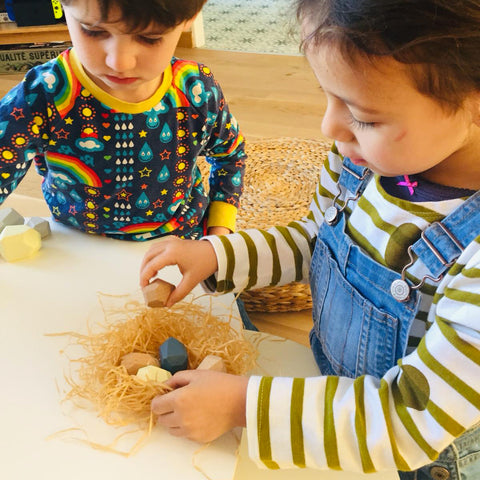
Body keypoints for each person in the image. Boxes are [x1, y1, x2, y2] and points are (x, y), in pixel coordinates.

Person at [140, 0, 480, 478]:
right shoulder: (360, 161)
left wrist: (243, 407)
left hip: (413, 459)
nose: (329, 127)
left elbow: (408, 421)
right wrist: (219, 255)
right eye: (327, 95)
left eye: (364, 116)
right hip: (326, 403)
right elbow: (320, 240)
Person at [0, 0, 246, 240]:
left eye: (150, 37)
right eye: (93, 31)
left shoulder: (197, 90)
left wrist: (220, 229)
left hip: (181, 237)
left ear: (190, 18)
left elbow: (231, 156)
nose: (119, 62)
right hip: (80, 241)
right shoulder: (42, 94)